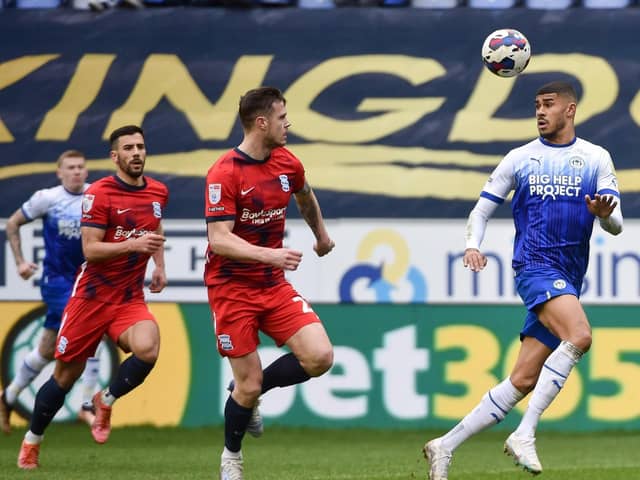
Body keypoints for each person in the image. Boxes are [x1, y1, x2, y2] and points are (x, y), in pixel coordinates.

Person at [424, 81, 623, 479]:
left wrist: (603, 213)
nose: (540, 112)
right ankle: (525, 432)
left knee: (523, 378)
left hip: (569, 275)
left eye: (548, 104)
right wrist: (471, 245)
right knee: (580, 335)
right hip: (534, 267)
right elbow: (481, 210)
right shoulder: (520, 158)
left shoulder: (596, 157)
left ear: (570, 109)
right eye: (536, 105)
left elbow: (615, 225)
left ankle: (444, 446)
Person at [16, 125, 169, 469]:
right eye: (128, 148)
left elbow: (156, 227)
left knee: (149, 347)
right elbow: (91, 249)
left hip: (129, 298)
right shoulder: (100, 193)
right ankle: (32, 440)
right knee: (64, 378)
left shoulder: (158, 192)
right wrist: (134, 244)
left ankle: (105, 399)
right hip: (91, 298)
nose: (136, 153)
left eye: (141, 146)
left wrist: (159, 265)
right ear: (115, 156)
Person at [204, 86, 335, 480]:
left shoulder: (287, 163)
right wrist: (270, 255)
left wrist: (321, 235)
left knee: (320, 357)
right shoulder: (224, 172)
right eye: (282, 117)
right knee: (248, 383)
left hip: (271, 285)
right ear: (261, 123)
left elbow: (305, 197)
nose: (288, 123)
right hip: (231, 289)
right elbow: (219, 239)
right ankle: (231, 458)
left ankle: (252, 394)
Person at [0, 150, 101, 434]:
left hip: (87, 280)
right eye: (70, 167)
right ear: (60, 172)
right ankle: (86, 405)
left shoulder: (97, 194)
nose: (77, 172)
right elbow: (12, 223)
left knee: (45, 350)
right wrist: (19, 261)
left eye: (81, 167)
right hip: (57, 281)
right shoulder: (48, 198)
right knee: (90, 327)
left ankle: (7, 398)